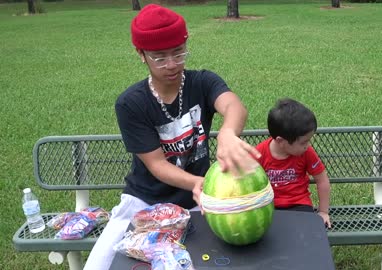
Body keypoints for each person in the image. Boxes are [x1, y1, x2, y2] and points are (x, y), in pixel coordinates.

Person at [84, 4, 260, 269]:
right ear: (141, 54)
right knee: (100, 264)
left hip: (198, 200)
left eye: (179, 53)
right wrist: (197, 183)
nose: (172, 65)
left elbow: (234, 106)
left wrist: (227, 133)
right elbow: (156, 164)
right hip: (144, 200)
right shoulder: (131, 103)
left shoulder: (202, 82)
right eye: (160, 57)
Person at [255, 98, 332, 228]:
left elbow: (322, 179)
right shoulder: (259, 154)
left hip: (300, 205)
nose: (307, 146)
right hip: (269, 206)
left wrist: (323, 212)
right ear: (281, 141)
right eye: (303, 142)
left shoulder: (306, 152)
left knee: (305, 236)